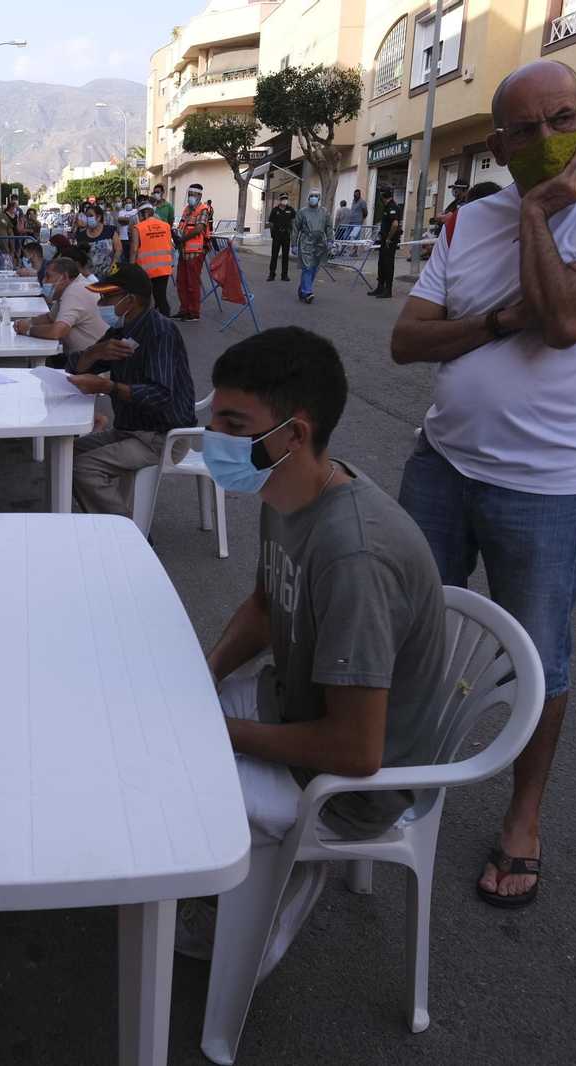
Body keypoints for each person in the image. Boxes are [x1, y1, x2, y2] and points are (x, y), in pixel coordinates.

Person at [389, 59, 576, 907]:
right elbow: (406, 341)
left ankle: (523, 819)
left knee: (537, 659)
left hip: (545, 486)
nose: (546, 140)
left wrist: (541, 220)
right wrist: (504, 314)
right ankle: (402, 774)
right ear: (496, 143)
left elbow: (570, 321)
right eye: (526, 128)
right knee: (411, 632)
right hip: (440, 463)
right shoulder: (467, 219)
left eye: (562, 121)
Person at [174, 328, 447, 978]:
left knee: (162, 783)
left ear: (293, 435)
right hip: (290, 707)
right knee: (150, 717)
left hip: (348, 787)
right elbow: (267, 608)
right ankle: (218, 876)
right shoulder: (289, 491)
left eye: (233, 423)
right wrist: (204, 674)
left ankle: (261, 910)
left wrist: (221, 730)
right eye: (214, 416)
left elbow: (357, 752)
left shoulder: (354, 553)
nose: (213, 437)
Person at [64, 264, 196, 517]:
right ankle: (110, 521)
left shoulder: (160, 331)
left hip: (161, 436)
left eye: (107, 297)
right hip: (131, 430)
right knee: (64, 456)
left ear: (130, 300)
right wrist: (96, 352)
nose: (101, 303)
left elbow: (161, 396)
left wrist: (107, 386)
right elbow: (76, 366)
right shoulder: (121, 329)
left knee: (82, 468)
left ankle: (130, 536)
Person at [14, 257, 106, 356]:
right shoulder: (71, 290)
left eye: (48, 276)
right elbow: (49, 318)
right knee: (46, 359)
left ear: (63, 277)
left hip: (91, 366)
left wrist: (28, 329)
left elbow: (57, 332)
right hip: (79, 359)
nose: (44, 281)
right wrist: (27, 322)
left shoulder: (75, 291)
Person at [173, 183, 212, 321]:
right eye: (189, 195)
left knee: (192, 283)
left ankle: (194, 312)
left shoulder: (203, 209)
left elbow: (198, 228)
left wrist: (182, 239)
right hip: (184, 251)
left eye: (193, 195)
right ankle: (184, 310)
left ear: (200, 196)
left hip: (195, 252)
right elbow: (182, 226)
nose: (190, 197)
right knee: (181, 282)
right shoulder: (187, 209)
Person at [129, 198, 175, 315]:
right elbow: (169, 245)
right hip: (164, 267)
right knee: (161, 297)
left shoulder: (138, 228)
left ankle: (147, 323)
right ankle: (166, 325)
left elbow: (134, 250)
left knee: (144, 298)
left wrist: (130, 267)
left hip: (145, 269)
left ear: (140, 214)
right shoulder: (165, 226)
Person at [293, 190, 331, 304]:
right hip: (306, 242)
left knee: (315, 268)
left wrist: (330, 240)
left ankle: (302, 291)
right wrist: (294, 244)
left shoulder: (324, 212)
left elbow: (328, 227)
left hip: (319, 243)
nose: (313, 198)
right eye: (311, 196)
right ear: (308, 198)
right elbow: (296, 229)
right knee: (307, 268)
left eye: (316, 196)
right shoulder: (302, 212)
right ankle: (307, 292)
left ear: (319, 199)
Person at [366, 188, 402, 299]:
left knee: (388, 264)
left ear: (382, 196)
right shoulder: (388, 207)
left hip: (389, 241)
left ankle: (388, 289)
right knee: (381, 263)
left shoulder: (392, 207)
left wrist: (388, 238)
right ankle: (380, 286)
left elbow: (395, 224)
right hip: (385, 240)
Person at [76, 205, 120, 278]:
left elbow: (118, 250)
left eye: (91, 216)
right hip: (89, 278)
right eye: (87, 216)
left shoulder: (110, 231)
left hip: (109, 275)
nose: (88, 218)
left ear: (98, 217)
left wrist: (112, 268)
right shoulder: (81, 236)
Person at [267, 193, 296, 282]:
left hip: (286, 235)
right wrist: (275, 231)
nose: (285, 200)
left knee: (285, 256)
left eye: (286, 198)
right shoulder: (275, 210)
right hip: (277, 234)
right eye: (283, 198)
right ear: (279, 200)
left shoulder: (290, 210)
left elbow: (292, 221)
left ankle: (284, 275)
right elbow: (271, 223)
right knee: (274, 255)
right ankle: (272, 274)